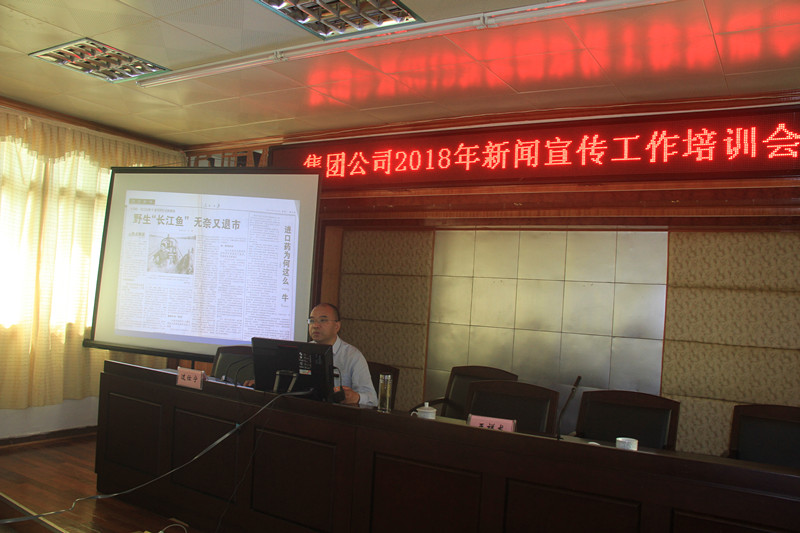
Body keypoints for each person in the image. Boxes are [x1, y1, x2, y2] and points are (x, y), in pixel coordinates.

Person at [308, 303, 377, 407]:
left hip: (338, 413)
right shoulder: (305, 350)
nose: (315, 326)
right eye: (312, 321)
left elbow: (372, 399)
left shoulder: (352, 356)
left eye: (323, 320)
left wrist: (356, 397)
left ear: (337, 326)